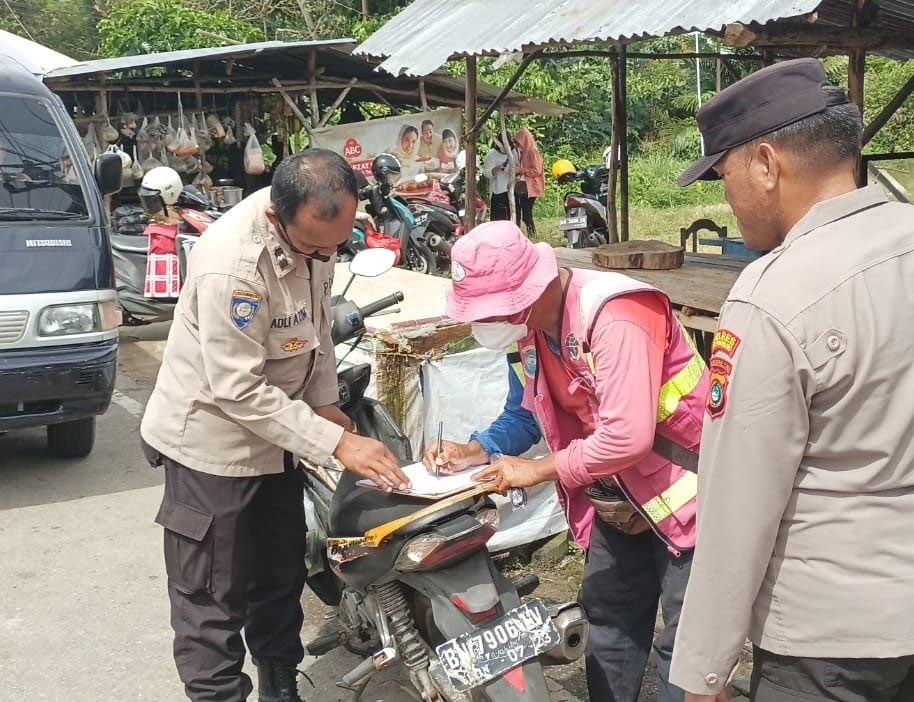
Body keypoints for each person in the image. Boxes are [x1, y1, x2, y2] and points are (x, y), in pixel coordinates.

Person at [670, 58, 914, 702]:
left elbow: (738, 503)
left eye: (725, 175)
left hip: (831, 640)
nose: (727, 198)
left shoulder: (772, 295)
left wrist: (704, 673)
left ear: (767, 164)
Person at [139, 149, 408, 702]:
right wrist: (335, 441)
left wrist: (325, 402)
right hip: (211, 448)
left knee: (280, 577)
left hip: (278, 440)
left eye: (336, 243)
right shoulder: (231, 265)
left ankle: (281, 688)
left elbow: (316, 329)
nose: (327, 254)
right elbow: (235, 388)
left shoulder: (321, 232)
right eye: (315, 245)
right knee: (211, 600)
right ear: (275, 218)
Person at [425, 220, 707, 702]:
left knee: (686, 649)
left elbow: (626, 436)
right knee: (608, 622)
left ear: (527, 293)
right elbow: (526, 413)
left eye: (492, 311)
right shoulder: (530, 333)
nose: (487, 323)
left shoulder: (616, 314)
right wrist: (473, 450)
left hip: (690, 502)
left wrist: (534, 470)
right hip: (619, 500)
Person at [513, 127, 544, 235]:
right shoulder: (524, 152)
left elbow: (537, 170)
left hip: (531, 187)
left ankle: (532, 234)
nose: (518, 145)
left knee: (527, 213)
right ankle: (525, 234)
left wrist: (521, 170)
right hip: (524, 185)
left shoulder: (532, 151)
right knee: (520, 211)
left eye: (519, 142)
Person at [482, 140, 512, 221]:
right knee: (498, 219)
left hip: (512, 190)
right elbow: (486, 173)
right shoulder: (492, 154)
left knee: (510, 218)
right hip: (498, 191)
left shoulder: (513, 152)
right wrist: (496, 168)